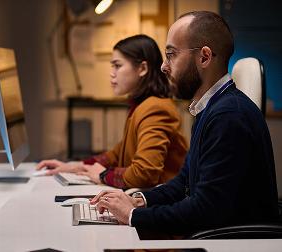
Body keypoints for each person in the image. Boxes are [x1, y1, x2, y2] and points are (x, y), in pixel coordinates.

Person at [91, 11, 279, 235]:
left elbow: (205, 209)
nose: (163, 66)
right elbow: (184, 183)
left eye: (171, 54)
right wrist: (138, 200)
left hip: (231, 243)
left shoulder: (229, 116)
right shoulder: (209, 109)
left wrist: (133, 216)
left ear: (204, 57)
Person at [37, 34, 188, 189]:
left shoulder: (155, 108)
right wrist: (76, 166)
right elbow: (117, 154)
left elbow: (144, 174)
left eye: (117, 65)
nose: (112, 73)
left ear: (142, 68)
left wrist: (103, 175)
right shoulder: (143, 105)